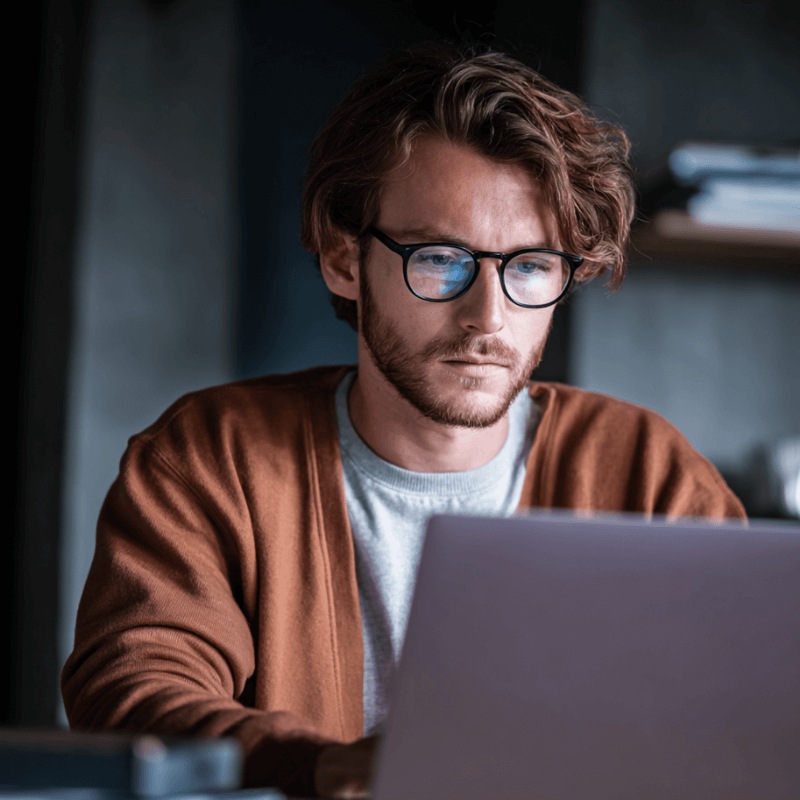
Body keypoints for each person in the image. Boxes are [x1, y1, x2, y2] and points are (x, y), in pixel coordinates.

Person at [61, 43, 745, 799]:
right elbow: (131, 691)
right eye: (442, 258)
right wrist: (322, 766)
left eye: (529, 267)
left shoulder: (651, 474)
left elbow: (742, 716)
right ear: (343, 258)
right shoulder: (208, 458)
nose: (488, 318)